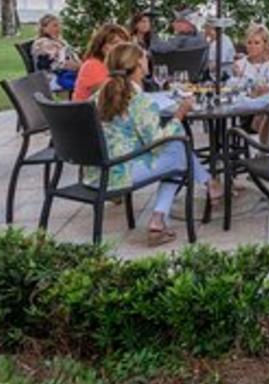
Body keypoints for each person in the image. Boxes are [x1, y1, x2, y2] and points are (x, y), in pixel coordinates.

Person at [94, 43, 220, 245]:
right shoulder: (138, 100)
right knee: (179, 151)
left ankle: (203, 188)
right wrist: (180, 113)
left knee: (177, 148)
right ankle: (203, 186)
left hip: (95, 172)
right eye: (144, 57)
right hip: (118, 173)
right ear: (137, 65)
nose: (147, 61)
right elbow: (157, 142)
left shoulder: (98, 96)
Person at [73, 23, 131, 102]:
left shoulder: (118, 66)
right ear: (101, 46)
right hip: (88, 112)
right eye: (115, 43)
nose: (120, 48)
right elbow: (109, 96)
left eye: (124, 44)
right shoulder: (92, 65)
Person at [31, 13, 81, 91]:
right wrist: (78, 66)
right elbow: (53, 65)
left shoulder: (60, 41)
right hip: (54, 78)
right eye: (54, 26)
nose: (59, 28)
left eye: (59, 25)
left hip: (68, 74)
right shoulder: (42, 44)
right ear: (44, 28)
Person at [232, 25, 269, 96]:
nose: (252, 46)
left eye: (257, 43)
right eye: (249, 42)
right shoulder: (239, 64)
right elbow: (236, 89)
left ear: (265, 44)